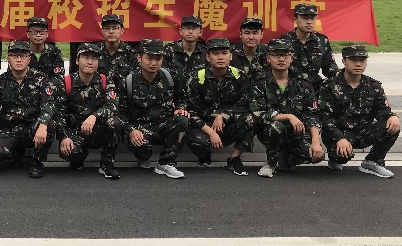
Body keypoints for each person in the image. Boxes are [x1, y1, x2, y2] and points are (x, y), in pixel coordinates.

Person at [319, 45, 400, 178]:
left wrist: (393, 116)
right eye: (353, 60)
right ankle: (335, 158)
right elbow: (325, 117)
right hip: (339, 135)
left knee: (392, 124)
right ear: (344, 61)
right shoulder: (329, 85)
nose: (358, 64)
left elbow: (382, 110)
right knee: (341, 159)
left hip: (363, 131)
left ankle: (373, 161)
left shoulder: (374, 85)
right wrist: (339, 138)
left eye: (362, 60)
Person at [115, 39, 189, 179]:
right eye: (149, 58)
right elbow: (120, 114)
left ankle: (166, 163)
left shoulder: (170, 78)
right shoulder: (128, 82)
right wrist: (131, 130)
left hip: (163, 124)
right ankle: (143, 158)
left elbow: (182, 99)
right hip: (140, 128)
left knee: (182, 119)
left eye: (158, 59)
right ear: (139, 58)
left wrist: (181, 108)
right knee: (143, 149)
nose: (153, 63)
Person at [0, 40, 58, 179]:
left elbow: (48, 104)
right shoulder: (0, 82)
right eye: (14, 55)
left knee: (50, 126)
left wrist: (42, 125)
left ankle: (37, 161)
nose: (19, 59)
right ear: (8, 58)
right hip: (9, 128)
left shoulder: (40, 79)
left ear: (29, 58)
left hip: (32, 127)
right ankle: (15, 154)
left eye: (23, 56)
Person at [184, 38, 255, 176]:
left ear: (231, 56)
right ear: (208, 57)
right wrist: (210, 132)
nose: (220, 57)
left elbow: (245, 103)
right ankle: (204, 156)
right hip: (204, 126)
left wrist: (223, 116)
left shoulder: (240, 76)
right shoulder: (197, 78)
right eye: (216, 54)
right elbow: (190, 110)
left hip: (228, 125)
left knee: (251, 119)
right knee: (195, 139)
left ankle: (234, 158)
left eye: (224, 53)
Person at [254, 39, 323, 178]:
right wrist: (289, 116)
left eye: (285, 55)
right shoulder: (260, 82)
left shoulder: (303, 83)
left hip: (296, 133)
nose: (281, 59)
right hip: (270, 131)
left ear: (291, 58)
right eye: (276, 55)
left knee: (316, 156)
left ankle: (287, 157)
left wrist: (316, 142)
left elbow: (312, 114)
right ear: (268, 58)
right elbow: (259, 113)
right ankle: (271, 163)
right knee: (276, 127)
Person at [57, 44, 122, 179]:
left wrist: (94, 116)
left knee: (114, 122)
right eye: (86, 58)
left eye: (94, 59)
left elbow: (112, 105)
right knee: (72, 154)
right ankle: (78, 157)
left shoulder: (105, 80)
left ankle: (107, 163)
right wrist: (64, 136)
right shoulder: (66, 82)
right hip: (75, 131)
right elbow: (59, 112)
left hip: (96, 130)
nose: (90, 62)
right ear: (77, 61)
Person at [280, 3, 339, 90]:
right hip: (291, 90)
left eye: (312, 18)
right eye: (304, 18)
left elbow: (329, 67)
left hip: (315, 88)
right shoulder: (283, 41)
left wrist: (345, 74)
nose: (309, 22)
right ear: (295, 19)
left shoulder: (322, 41)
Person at [163, 15, 208, 83]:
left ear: (200, 33)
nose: (190, 31)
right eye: (187, 28)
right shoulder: (168, 51)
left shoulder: (206, 53)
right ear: (180, 31)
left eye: (194, 28)